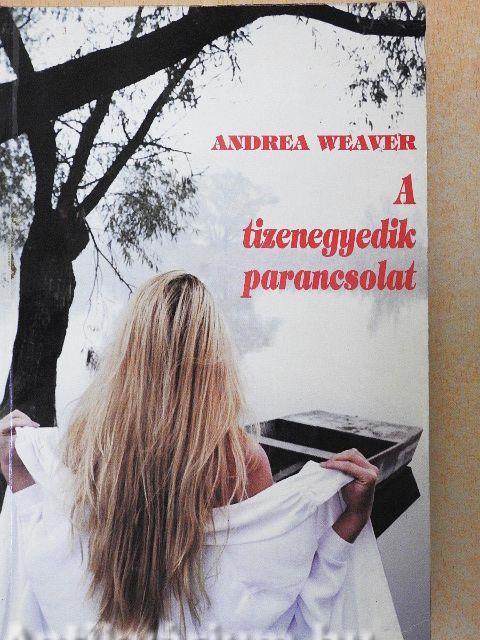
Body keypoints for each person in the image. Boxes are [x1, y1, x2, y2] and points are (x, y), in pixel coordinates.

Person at [0, 271, 398, 640]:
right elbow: (277, 616)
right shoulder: (241, 464)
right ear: (215, 360)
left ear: (127, 355)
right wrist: (347, 525)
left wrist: (24, 483)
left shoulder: (83, 448)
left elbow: (50, 575)